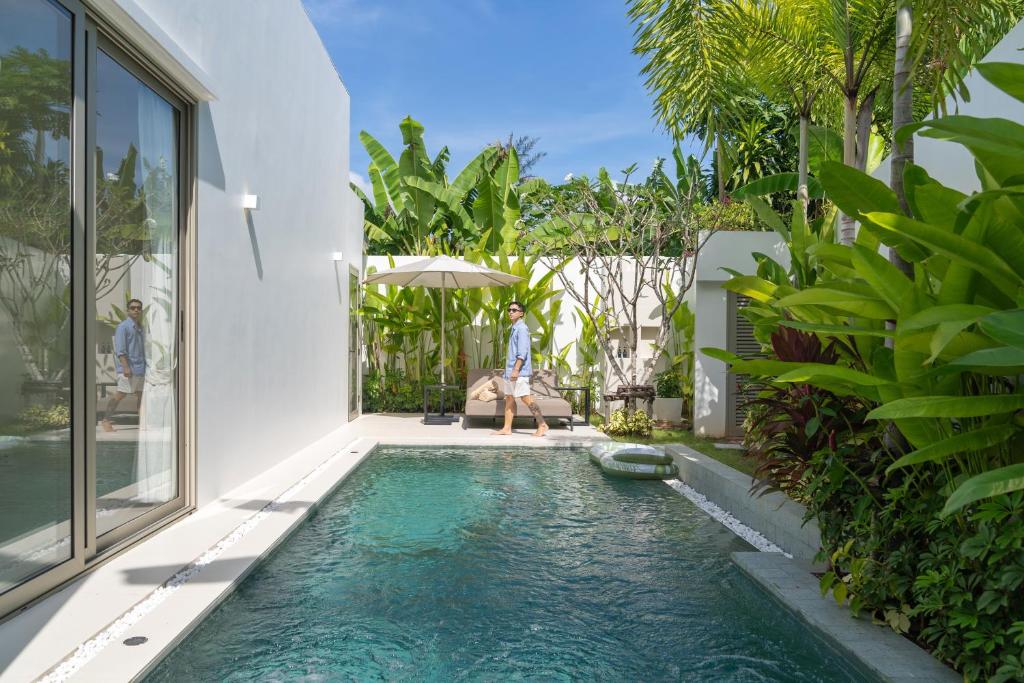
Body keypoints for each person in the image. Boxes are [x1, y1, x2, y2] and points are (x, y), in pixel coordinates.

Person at [492, 301, 548, 437]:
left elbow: (522, 353)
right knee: (509, 398)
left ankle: (542, 424)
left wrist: (516, 370)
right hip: (511, 371)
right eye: (509, 310)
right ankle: (507, 428)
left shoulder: (522, 329)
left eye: (514, 310)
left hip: (518, 372)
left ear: (521, 313)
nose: (510, 312)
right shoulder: (514, 328)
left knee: (525, 398)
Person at [101, 299, 146, 432]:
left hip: (141, 368)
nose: (136, 310)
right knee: (120, 394)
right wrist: (126, 367)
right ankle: (106, 420)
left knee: (142, 396)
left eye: (138, 308)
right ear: (128, 310)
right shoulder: (123, 327)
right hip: (128, 369)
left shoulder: (141, 328)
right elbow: (120, 350)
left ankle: (143, 424)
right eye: (133, 308)